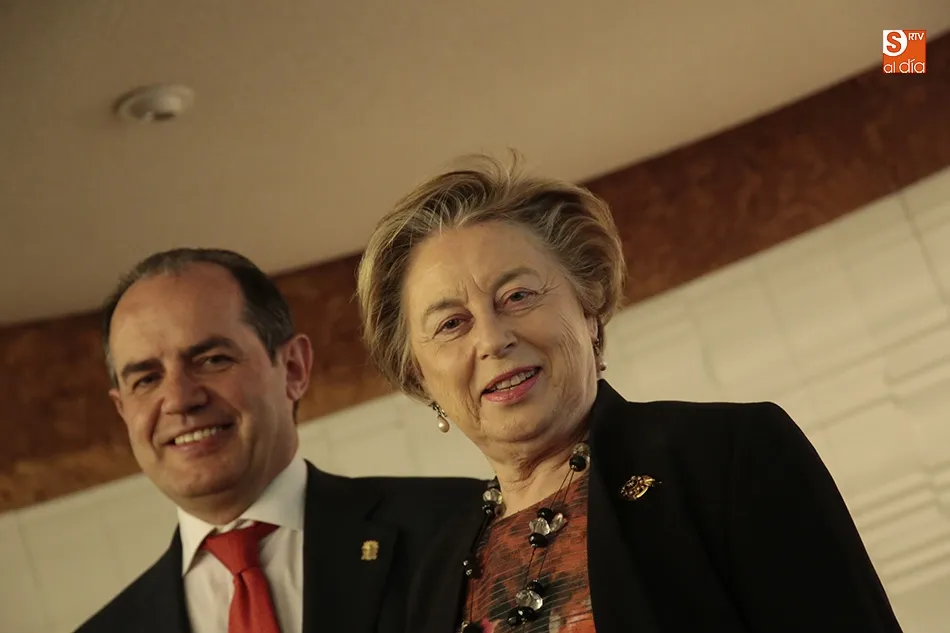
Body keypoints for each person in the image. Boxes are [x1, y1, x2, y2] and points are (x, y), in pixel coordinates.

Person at [355, 155, 904, 633]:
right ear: (420, 378)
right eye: (451, 324)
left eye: (517, 296)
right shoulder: (431, 572)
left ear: (588, 309)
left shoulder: (725, 455)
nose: (493, 340)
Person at [76, 248, 484, 633]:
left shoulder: (460, 525)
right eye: (146, 379)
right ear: (122, 410)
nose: (180, 399)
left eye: (212, 360)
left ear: (293, 368)